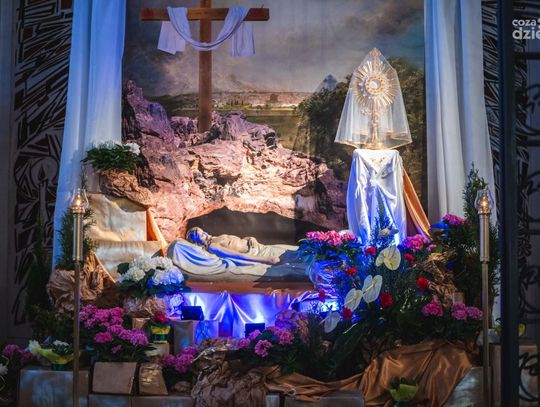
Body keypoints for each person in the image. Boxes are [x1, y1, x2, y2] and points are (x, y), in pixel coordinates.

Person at [186, 227, 280, 265]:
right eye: (196, 234)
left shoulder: (214, 238)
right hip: (257, 253)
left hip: (258, 246)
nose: (198, 231)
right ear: (197, 242)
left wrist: (251, 238)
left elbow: (237, 240)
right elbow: (237, 255)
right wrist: (266, 259)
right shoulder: (212, 246)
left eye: (198, 230)